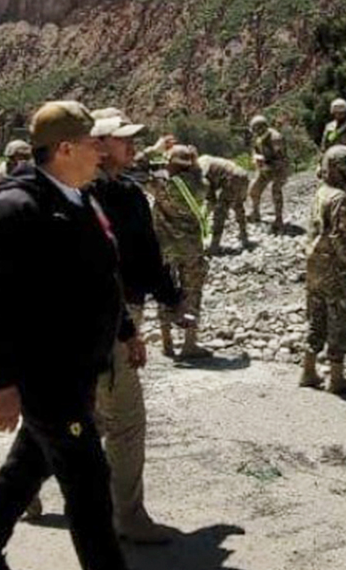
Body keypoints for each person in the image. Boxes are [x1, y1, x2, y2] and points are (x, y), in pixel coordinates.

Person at [0, 101, 136, 570]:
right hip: (46, 377)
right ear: (66, 147)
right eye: (95, 143)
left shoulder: (79, 198)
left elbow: (102, 276)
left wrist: (126, 330)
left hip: (77, 371)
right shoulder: (16, 207)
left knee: (27, 466)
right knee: (90, 488)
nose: (103, 153)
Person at [85, 108, 184, 543]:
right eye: (122, 138)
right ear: (99, 145)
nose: (132, 144)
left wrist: (171, 298)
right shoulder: (86, 197)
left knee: (79, 413)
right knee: (124, 420)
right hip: (103, 320)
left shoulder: (123, 193)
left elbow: (146, 256)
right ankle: (127, 517)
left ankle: (23, 489)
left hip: (116, 317)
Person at [300, 145, 346, 394]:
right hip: (335, 268)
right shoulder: (341, 198)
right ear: (339, 169)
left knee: (316, 316)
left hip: (315, 264)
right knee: (341, 318)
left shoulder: (323, 192)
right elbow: (341, 237)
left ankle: (308, 370)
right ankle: (336, 377)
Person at [145, 145, 210, 360]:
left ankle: (167, 342)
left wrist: (152, 152)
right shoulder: (201, 184)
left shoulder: (162, 185)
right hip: (191, 248)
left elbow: (137, 169)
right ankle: (190, 343)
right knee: (192, 292)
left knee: (166, 291)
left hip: (165, 248)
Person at [197, 153, 252, 254]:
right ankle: (244, 235)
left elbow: (207, 187)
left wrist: (206, 210)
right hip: (243, 175)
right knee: (238, 206)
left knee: (219, 213)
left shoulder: (200, 165)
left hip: (232, 179)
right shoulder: (206, 159)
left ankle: (214, 245)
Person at [246, 114, 289, 233]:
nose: (254, 132)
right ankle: (255, 212)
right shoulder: (259, 137)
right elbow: (255, 149)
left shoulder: (276, 139)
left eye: (256, 130)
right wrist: (255, 158)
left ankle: (279, 219)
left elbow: (281, 159)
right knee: (254, 189)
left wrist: (265, 161)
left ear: (261, 128)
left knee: (276, 191)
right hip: (265, 168)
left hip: (279, 169)